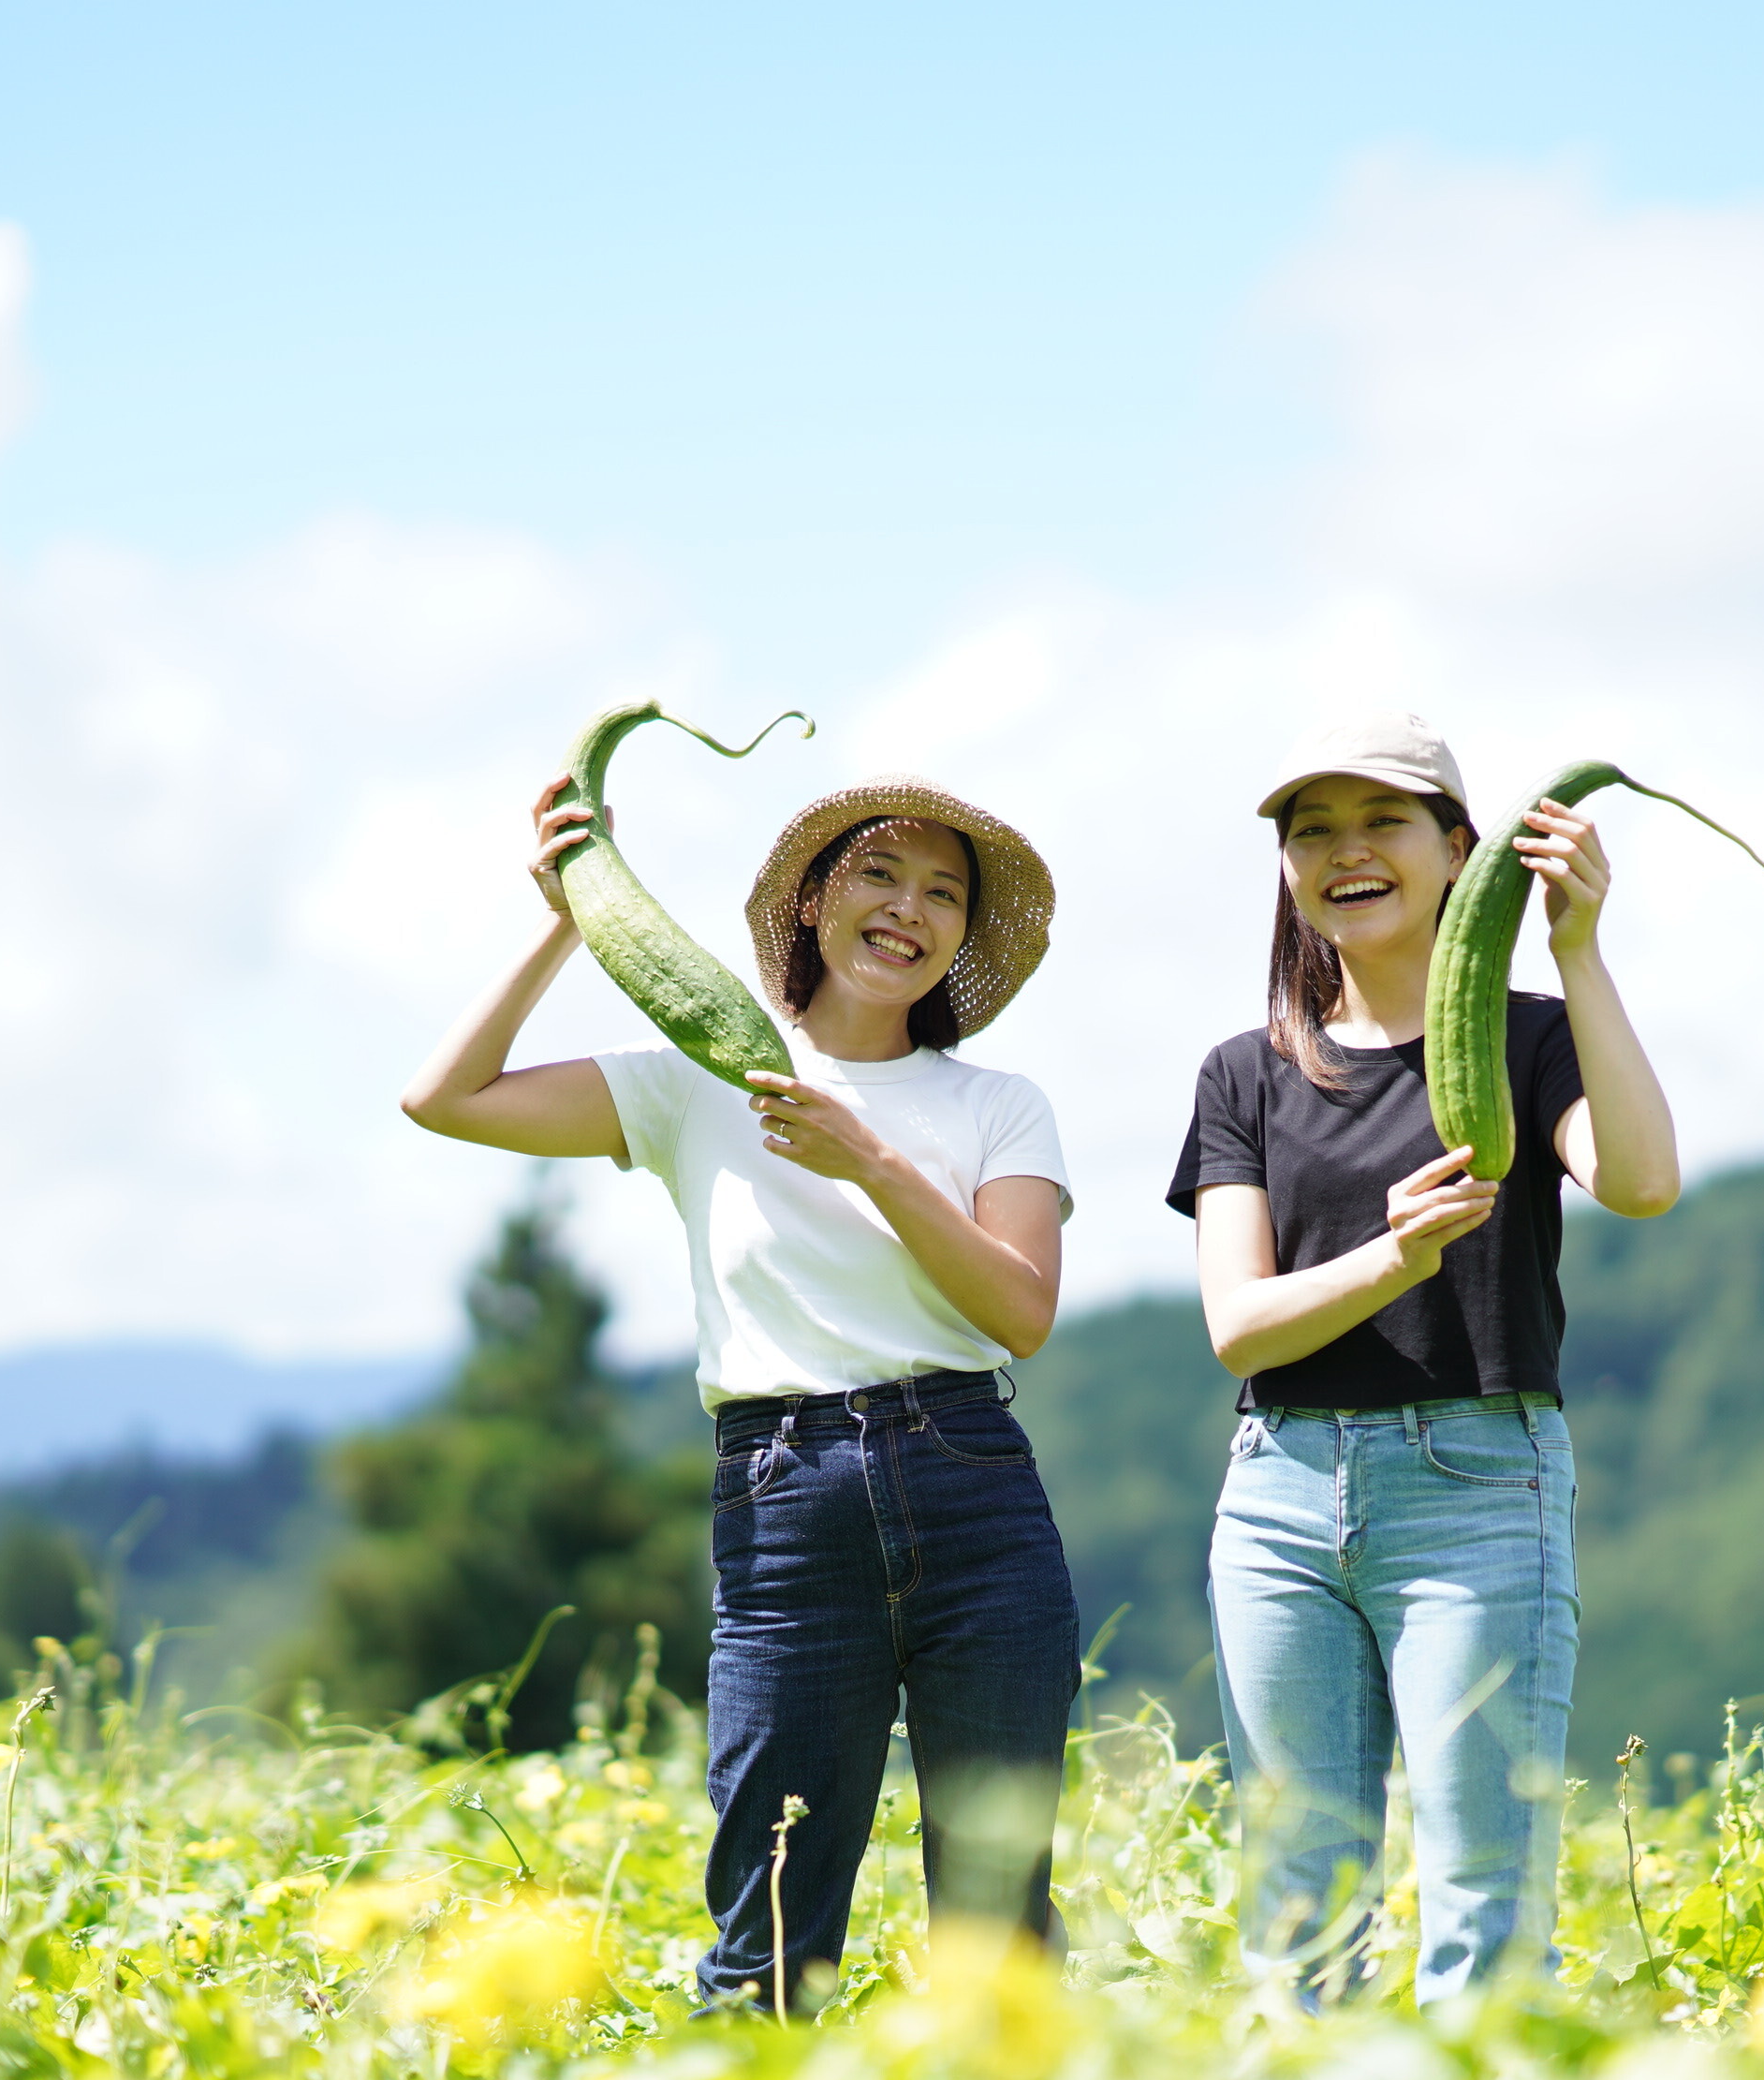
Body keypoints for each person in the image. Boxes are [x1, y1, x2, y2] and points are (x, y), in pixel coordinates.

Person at [402, 771, 1080, 2013]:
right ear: (813, 902)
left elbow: (1018, 1309)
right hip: (782, 1496)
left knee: (997, 1911)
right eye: (880, 874)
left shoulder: (997, 1106)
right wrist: (571, 919)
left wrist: (868, 1161)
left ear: (960, 942)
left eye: (943, 894)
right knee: (769, 1900)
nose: (909, 909)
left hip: (972, 1484)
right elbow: (445, 1098)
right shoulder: (696, 1081)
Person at [1169, 712, 1683, 2005]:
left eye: (1383, 821)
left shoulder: (1526, 1040)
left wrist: (1580, 951)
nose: (1347, 852)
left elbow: (1643, 1180)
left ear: (1463, 850)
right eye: (1312, 830)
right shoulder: (1248, 1074)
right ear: (1286, 870)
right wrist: (1393, 1260)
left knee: (1485, 1898)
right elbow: (1240, 1324)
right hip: (1279, 1492)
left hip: (1476, 1490)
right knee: (1299, 1907)